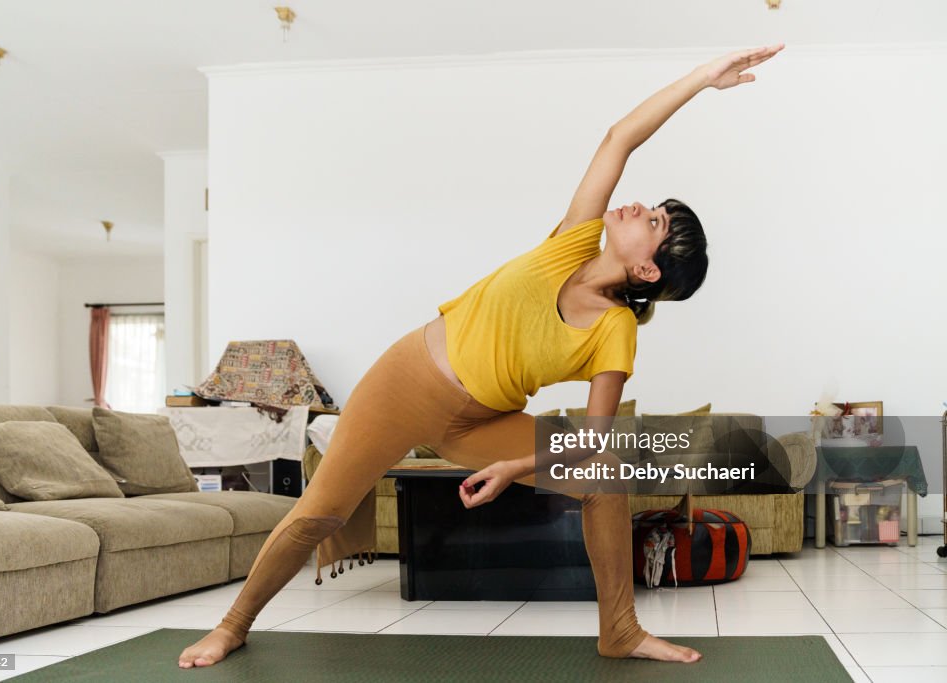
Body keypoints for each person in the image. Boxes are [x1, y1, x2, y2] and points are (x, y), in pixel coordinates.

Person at [178, 42, 784, 669]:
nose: (639, 205)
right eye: (654, 207)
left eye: (654, 220)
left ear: (645, 266)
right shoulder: (570, 241)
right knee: (321, 514)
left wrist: (513, 466)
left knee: (609, 480)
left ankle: (620, 631)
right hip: (405, 381)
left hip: (477, 422)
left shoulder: (615, 331)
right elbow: (619, 138)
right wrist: (701, 80)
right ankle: (232, 625)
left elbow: (592, 439)